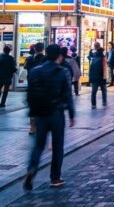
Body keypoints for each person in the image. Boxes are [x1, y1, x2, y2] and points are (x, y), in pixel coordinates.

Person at [23, 44, 75, 190]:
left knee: (39, 145)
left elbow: (30, 92)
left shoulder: (35, 71)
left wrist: (32, 113)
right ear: (59, 55)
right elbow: (68, 95)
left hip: (40, 114)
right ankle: (55, 178)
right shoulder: (62, 71)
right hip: (56, 113)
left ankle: (32, 169)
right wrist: (71, 114)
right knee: (58, 146)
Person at [87, 42, 107, 108]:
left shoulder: (92, 57)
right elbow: (104, 68)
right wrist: (105, 77)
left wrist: (90, 77)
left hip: (94, 77)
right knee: (103, 90)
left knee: (94, 91)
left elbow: (90, 68)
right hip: (101, 77)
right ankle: (104, 102)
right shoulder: (103, 57)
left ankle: (93, 105)